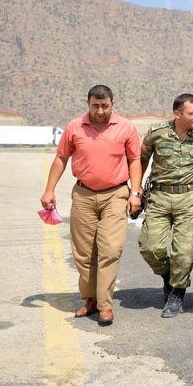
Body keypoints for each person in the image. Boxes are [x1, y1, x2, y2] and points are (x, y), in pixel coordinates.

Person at [40, 85, 142, 326]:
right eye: (95, 106)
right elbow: (61, 158)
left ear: (112, 104)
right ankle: (90, 300)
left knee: (110, 250)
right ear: (88, 104)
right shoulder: (75, 127)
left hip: (115, 194)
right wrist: (49, 189)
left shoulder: (126, 127)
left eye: (105, 106)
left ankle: (105, 305)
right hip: (83, 195)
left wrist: (135, 193)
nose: (100, 111)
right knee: (84, 253)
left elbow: (134, 160)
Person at [138, 94, 193, 318]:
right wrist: (136, 189)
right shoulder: (157, 133)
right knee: (150, 248)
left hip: (189, 198)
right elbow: (142, 159)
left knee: (184, 252)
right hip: (159, 197)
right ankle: (168, 276)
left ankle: (177, 293)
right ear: (177, 113)